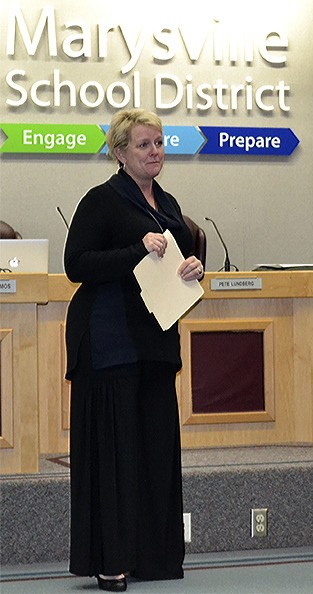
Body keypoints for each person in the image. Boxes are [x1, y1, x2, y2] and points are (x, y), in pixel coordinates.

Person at [64, 109, 204, 591]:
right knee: (115, 452)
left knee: (154, 450)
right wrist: (135, 251)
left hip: (155, 342)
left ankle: (153, 556)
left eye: (160, 143)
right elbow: (75, 265)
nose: (156, 152)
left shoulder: (166, 202)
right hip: (109, 342)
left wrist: (194, 269)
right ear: (120, 152)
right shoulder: (101, 201)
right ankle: (111, 560)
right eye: (144, 145)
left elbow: (184, 253)